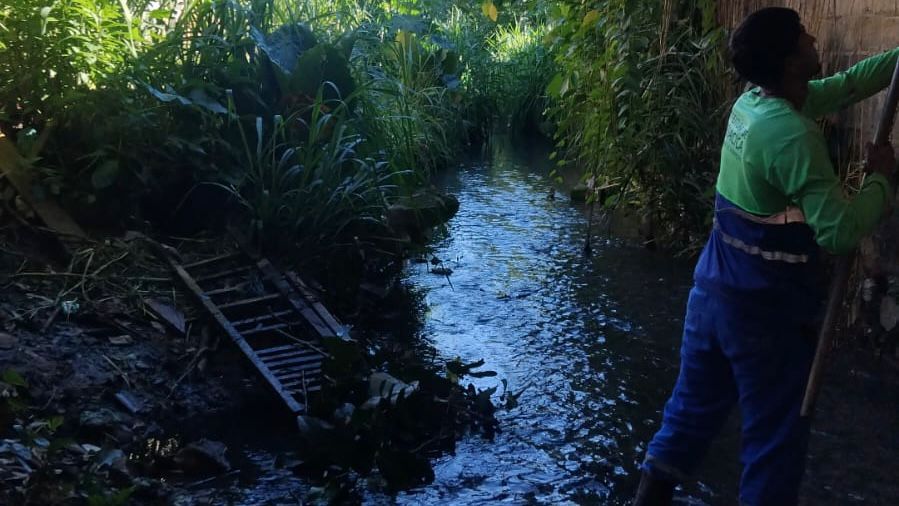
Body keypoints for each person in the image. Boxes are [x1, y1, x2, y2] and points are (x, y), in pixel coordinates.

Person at [633, 7, 899, 506]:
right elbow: (839, 232)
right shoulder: (794, 136)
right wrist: (882, 179)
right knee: (773, 448)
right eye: (803, 37)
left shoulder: (754, 105)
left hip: (711, 297)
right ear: (790, 62)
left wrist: (897, 61)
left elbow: (843, 86)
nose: (814, 37)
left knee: (686, 418)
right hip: (763, 315)